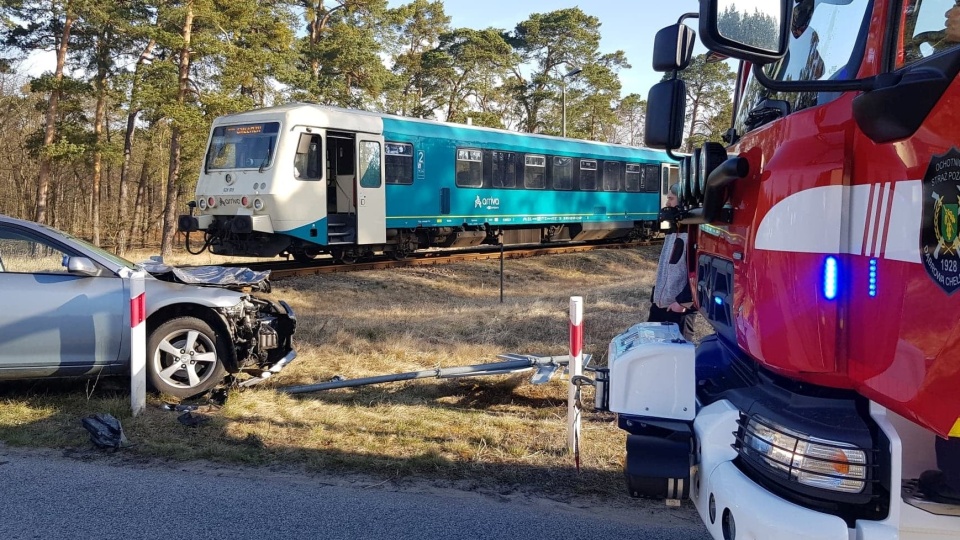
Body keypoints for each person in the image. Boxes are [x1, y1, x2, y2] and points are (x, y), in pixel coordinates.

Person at [647, 183, 695, 341]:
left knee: (678, 352)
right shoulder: (673, 231)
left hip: (678, 308)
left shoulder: (694, 234)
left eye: (671, 199)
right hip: (660, 304)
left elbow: (698, 272)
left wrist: (683, 302)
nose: (667, 203)